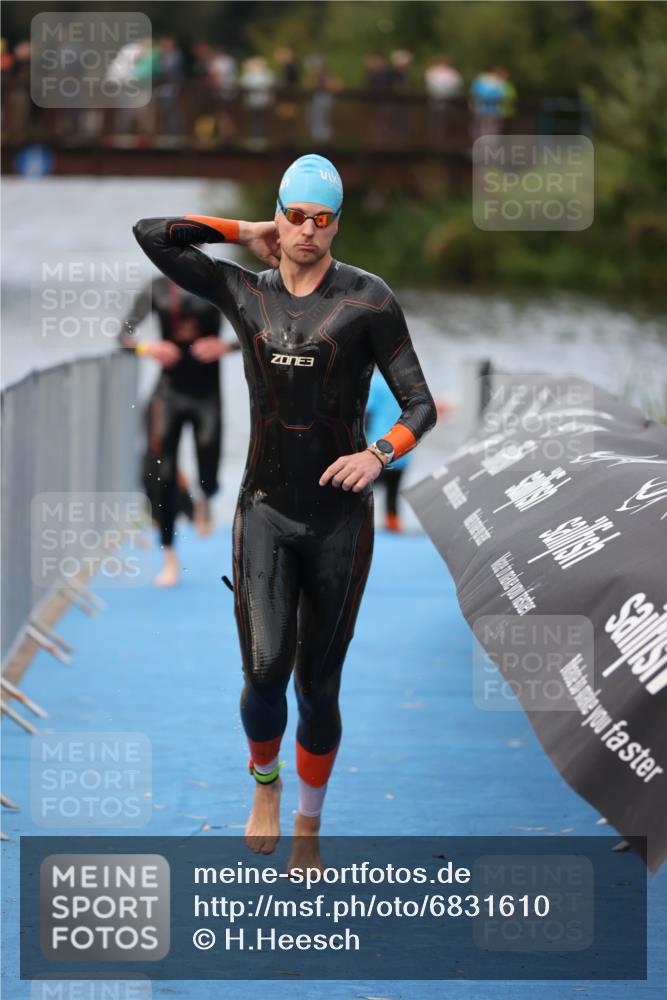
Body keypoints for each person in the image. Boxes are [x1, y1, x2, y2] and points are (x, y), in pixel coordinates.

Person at [132, 154, 437, 873]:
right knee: (265, 671)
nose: (305, 230)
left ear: (338, 222)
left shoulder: (367, 301)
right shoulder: (245, 291)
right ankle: (264, 786)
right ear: (280, 214)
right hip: (264, 510)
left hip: (339, 519)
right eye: (294, 215)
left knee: (318, 686)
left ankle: (309, 818)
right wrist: (246, 230)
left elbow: (419, 403)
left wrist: (378, 453)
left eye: (320, 219)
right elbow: (152, 234)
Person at [119, 275, 239, 586]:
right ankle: (170, 557)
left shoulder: (219, 283)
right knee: (162, 475)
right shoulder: (156, 287)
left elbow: (258, 332)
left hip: (206, 397)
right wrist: (148, 348)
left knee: (209, 476)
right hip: (167, 395)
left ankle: (205, 497)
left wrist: (225, 346)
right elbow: (124, 336)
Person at [365, 371, 411, 532]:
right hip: (403, 445)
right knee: (393, 491)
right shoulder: (406, 381)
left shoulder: (376, 382)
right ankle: (394, 524)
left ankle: (359, 523)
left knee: (366, 490)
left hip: (378, 445)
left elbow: (368, 414)